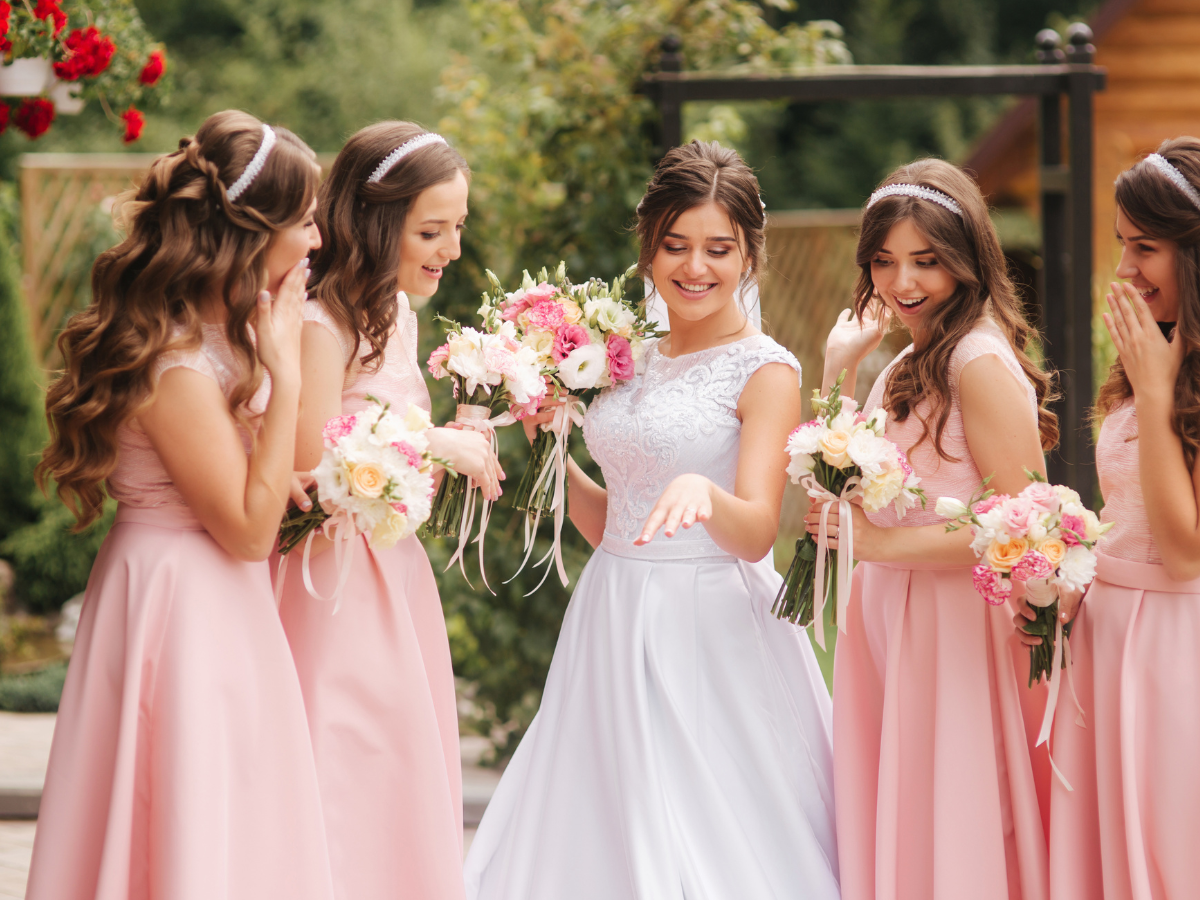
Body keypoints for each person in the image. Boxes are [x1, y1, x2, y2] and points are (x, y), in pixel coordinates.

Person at [463, 140, 840, 900]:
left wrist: (706, 491)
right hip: (612, 607)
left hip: (711, 625)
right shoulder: (625, 355)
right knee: (609, 818)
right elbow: (615, 523)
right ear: (649, 248)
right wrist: (547, 444)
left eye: (718, 249)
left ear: (749, 257)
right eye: (676, 245)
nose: (694, 267)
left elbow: (759, 530)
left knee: (712, 831)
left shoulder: (765, 370)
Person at [25, 110, 334, 900]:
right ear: (250, 232)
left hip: (212, 598)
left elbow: (258, 479)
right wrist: (289, 374)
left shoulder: (223, 336)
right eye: (305, 222)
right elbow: (244, 530)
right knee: (184, 807)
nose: (316, 242)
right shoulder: (176, 366)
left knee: (226, 810)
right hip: (180, 600)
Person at [811, 159, 1058, 900]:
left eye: (925, 261)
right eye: (884, 262)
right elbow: (830, 486)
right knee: (907, 814)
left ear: (966, 259)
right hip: (892, 616)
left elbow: (1030, 525)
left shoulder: (976, 360)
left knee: (957, 819)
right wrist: (837, 368)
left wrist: (881, 545)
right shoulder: (907, 363)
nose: (901, 281)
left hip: (953, 624)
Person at [274, 122, 500, 900]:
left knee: (398, 761)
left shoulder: (395, 314)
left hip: (389, 571)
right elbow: (310, 460)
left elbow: (386, 433)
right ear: (376, 225)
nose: (451, 250)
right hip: (325, 579)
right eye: (431, 231)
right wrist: (437, 442)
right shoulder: (320, 321)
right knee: (344, 755)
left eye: (458, 228)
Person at [1045, 138, 1200, 900]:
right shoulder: (1153, 353)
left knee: (1171, 847)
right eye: (1121, 246)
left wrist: (1160, 392)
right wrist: (1073, 563)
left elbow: (1184, 552)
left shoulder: (1163, 372)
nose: (1126, 270)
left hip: (1175, 648)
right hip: (1103, 637)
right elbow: (1129, 513)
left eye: (1147, 248)